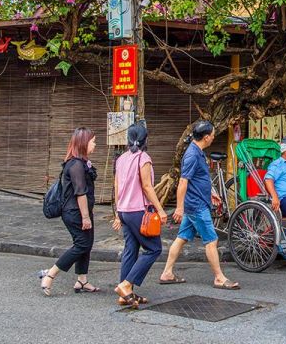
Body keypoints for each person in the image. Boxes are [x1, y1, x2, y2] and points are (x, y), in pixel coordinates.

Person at [159, 120, 240, 289]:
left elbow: (200, 178)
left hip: (197, 203)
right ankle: (219, 277)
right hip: (196, 206)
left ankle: (167, 273)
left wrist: (211, 193)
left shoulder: (198, 151)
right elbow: (183, 182)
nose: (213, 138)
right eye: (211, 135)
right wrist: (179, 208)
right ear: (205, 137)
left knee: (182, 238)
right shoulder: (192, 155)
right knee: (211, 240)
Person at [39, 127, 100, 296]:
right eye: (93, 141)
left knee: (86, 244)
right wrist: (85, 217)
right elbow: (80, 192)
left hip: (81, 210)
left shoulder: (81, 162)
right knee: (82, 244)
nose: (95, 144)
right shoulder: (75, 165)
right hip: (75, 212)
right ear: (83, 143)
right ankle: (50, 275)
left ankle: (82, 280)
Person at [112, 121, 166, 308]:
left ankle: (125, 294)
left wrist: (117, 211)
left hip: (124, 210)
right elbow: (146, 186)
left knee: (131, 249)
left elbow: (117, 186)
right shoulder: (143, 158)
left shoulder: (121, 159)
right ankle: (126, 285)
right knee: (154, 249)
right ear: (145, 140)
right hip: (138, 211)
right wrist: (160, 209)